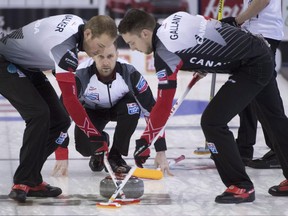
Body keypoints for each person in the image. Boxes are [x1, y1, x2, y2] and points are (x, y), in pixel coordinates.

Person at [118, 8, 288, 204]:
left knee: (212, 122)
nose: (132, 48)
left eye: (132, 42)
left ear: (145, 34)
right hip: (260, 51)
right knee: (275, 120)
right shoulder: (176, 17)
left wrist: (145, 141)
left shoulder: (164, 53)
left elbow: (164, 105)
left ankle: (241, 185)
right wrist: (204, 63)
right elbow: (211, 30)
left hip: (251, 65)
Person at [0, 14, 117, 202]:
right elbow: (70, 100)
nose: (99, 52)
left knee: (60, 121)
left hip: (27, 65)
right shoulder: (63, 44)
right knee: (39, 114)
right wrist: (94, 136)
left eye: (107, 47)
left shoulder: (79, 27)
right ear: (88, 34)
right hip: (4, 61)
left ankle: (32, 179)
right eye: (100, 46)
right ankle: (22, 181)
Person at [52, 41, 167, 176]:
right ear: (93, 56)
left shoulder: (130, 73)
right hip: (92, 111)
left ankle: (115, 157)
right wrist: (61, 152)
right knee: (83, 149)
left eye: (110, 56)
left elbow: (152, 111)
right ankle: (101, 143)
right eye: (101, 57)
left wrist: (160, 150)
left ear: (117, 55)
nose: (106, 62)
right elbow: (62, 115)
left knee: (132, 108)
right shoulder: (80, 75)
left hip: (121, 107)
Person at [221, 0, 283, 169]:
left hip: (264, 34)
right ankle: (244, 147)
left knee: (266, 99)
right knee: (247, 91)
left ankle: (280, 150)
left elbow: (262, 1)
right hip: (253, 32)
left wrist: (237, 20)